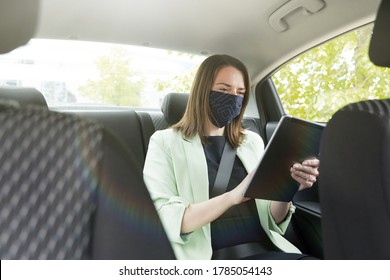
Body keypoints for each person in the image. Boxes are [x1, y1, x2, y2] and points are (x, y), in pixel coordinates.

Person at [143, 54, 320, 260]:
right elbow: (164, 218)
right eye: (224, 90)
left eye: (240, 92)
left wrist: (286, 188)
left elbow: (272, 220)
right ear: (202, 91)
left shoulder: (252, 141)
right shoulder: (165, 142)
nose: (233, 98)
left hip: (266, 249)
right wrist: (232, 197)